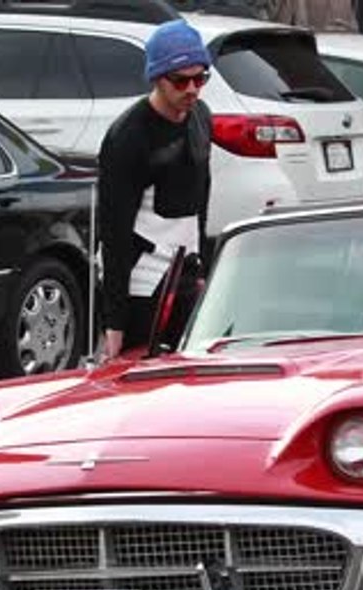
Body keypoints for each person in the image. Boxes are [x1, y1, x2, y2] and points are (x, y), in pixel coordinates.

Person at [98, 19, 213, 360]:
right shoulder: (128, 136)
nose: (192, 89)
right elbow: (114, 230)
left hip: (186, 268)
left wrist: (202, 268)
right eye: (180, 81)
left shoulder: (201, 116)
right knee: (141, 372)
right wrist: (114, 322)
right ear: (157, 78)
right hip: (142, 279)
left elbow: (202, 196)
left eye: (200, 78)